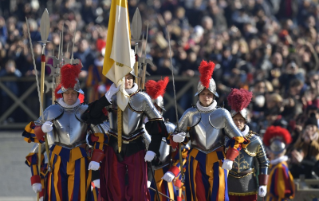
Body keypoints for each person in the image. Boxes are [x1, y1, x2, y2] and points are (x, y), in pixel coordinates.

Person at [82, 49, 168, 201]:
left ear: (134, 79)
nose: (127, 81)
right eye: (124, 77)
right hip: (114, 147)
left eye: (130, 78)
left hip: (137, 147)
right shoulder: (112, 98)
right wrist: (107, 97)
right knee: (116, 190)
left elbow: (158, 125)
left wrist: (153, 149)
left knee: (137, 191)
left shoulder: (142, 98)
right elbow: (90, 116)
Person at [162, 60, 247, 201]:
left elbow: (238, 138)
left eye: (209, 94)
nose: (206, 97)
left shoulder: (223, 113)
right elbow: (176, 137)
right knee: (197, 195)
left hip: (218, 158)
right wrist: (177, 138)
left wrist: (231, 157)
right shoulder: (189, 113)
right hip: (196, 158)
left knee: (218, 195)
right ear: (198, 95)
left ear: (213, 95)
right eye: (203, 93)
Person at [22, 63, 105, 201]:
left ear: (78, 94)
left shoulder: (85, 111)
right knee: (57, 193)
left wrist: (96, 159)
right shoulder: (51, 111)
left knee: (78, 195)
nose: (70, 96)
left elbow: (100, 137)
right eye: (67, 93)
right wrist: (41, 129)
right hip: (57, 157)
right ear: (62, 93)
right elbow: (29, 134)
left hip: (80, 156)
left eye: (73, 93)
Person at [227, 88, 269, 201]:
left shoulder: (255, 140)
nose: (238, 122)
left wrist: (263, 183)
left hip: (249, 183)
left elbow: (264, 163)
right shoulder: (225, 139)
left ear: (245, 121)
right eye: (235, 119)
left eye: (241, 119)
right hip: (229, 182)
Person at [263, 126, 295, 201]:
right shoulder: (276, 165)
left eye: (270, 150)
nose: (269, 153)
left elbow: (282, 193)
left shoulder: (280, 168)